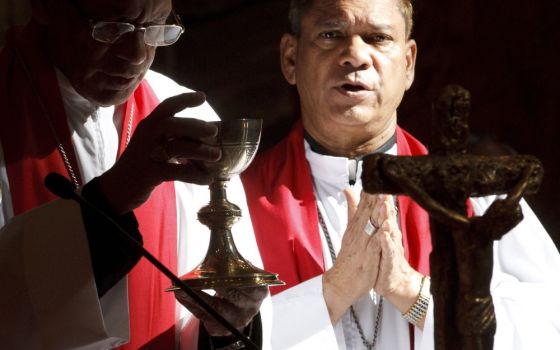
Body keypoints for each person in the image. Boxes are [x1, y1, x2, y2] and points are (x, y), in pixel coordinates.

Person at [241, 0, 560, 349]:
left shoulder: (473, 192)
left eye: (377, 38)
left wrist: (412, 292)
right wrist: (332, 292)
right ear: (291, 58)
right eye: (331, 35)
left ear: (408, 64)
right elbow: (207, 334)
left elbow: (545, 331)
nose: (355, 56)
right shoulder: (235, 202)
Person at [0, 0, 269, 349]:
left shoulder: (186, 114)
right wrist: (116, 193)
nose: (137, 55)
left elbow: (218, 314)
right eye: (113, 28)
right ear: (45, 7)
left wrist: (229, 326)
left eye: (156, 28)